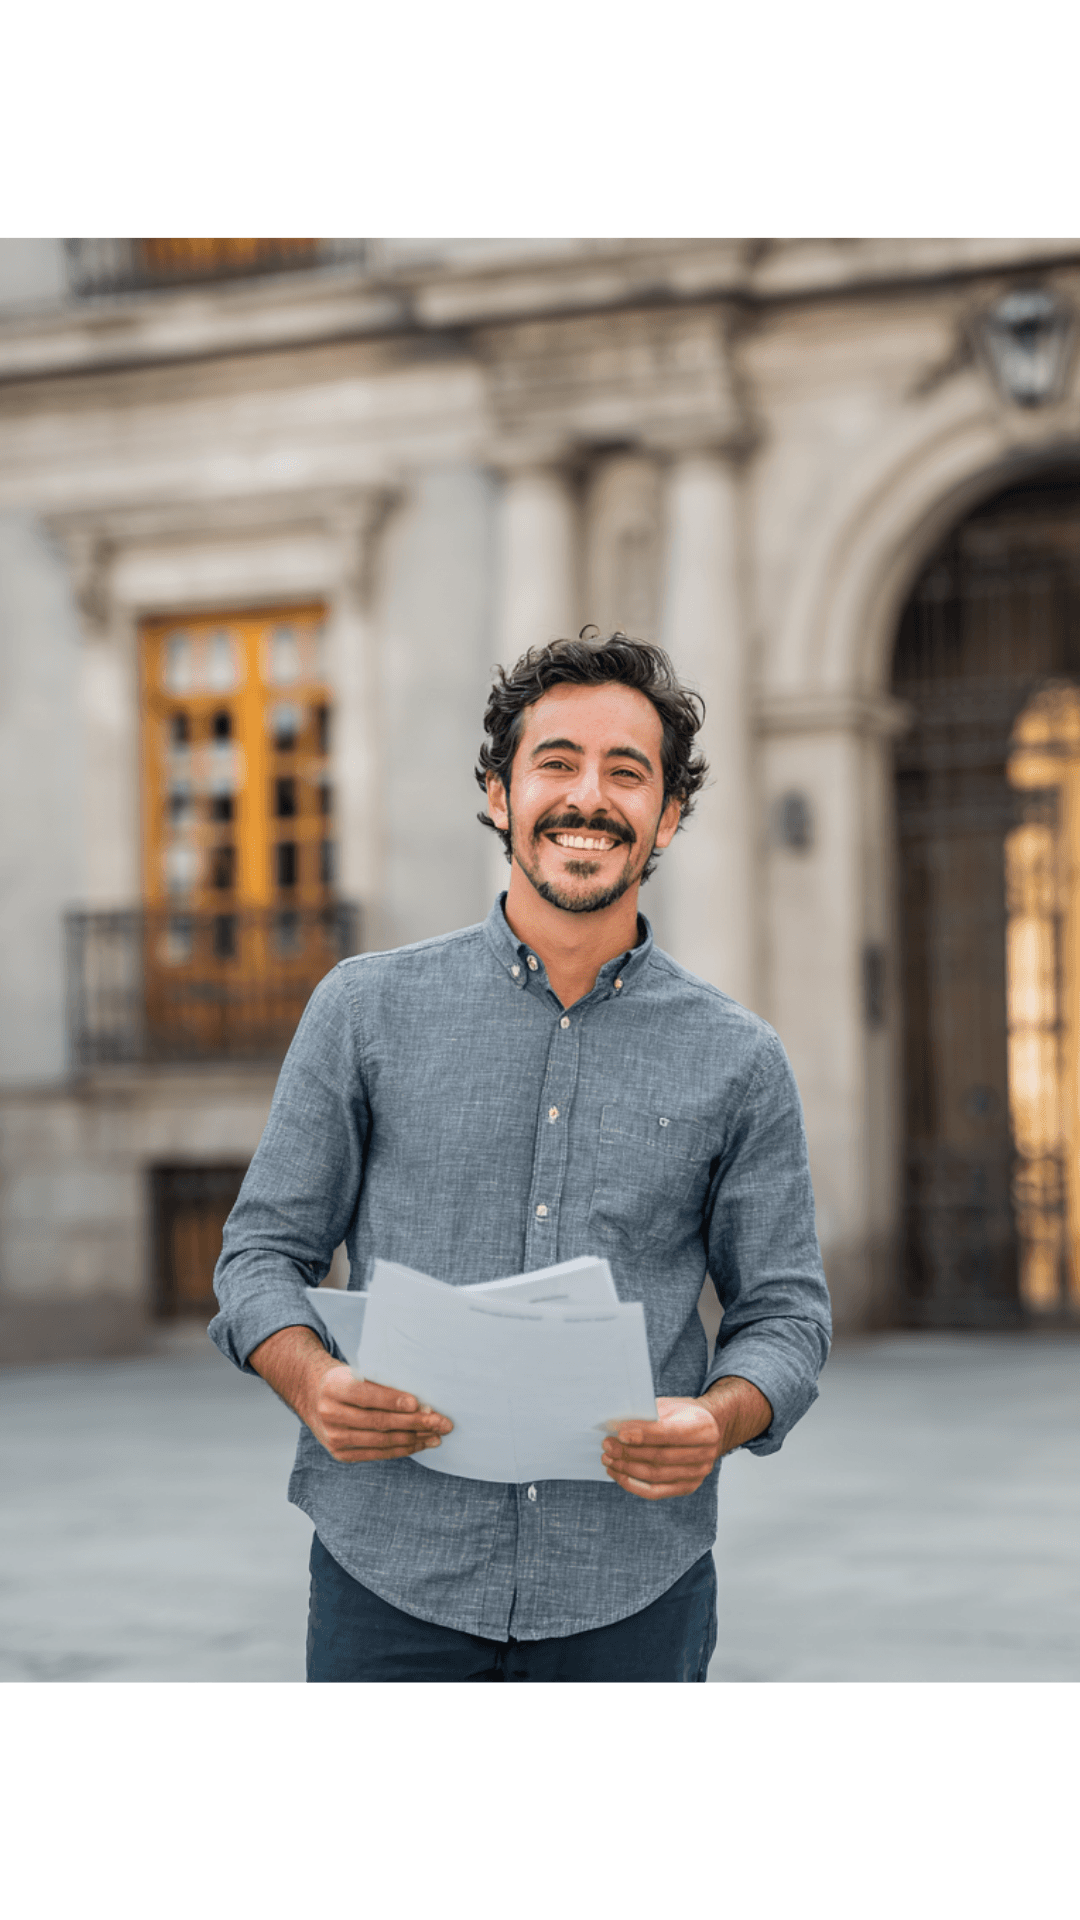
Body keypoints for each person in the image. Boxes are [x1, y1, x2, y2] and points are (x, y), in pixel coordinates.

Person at [210, 631, 831, 1683]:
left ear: (668, 816)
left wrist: (719, 1419)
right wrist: (312, 1380)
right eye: (556, 763)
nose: (588, 797)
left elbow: (787, 1315)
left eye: (626, 772)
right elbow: (258, 1257)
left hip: (632, 1581)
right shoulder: (363, 1011)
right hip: (388, 1571)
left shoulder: (741, 1060)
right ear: (499, 793)